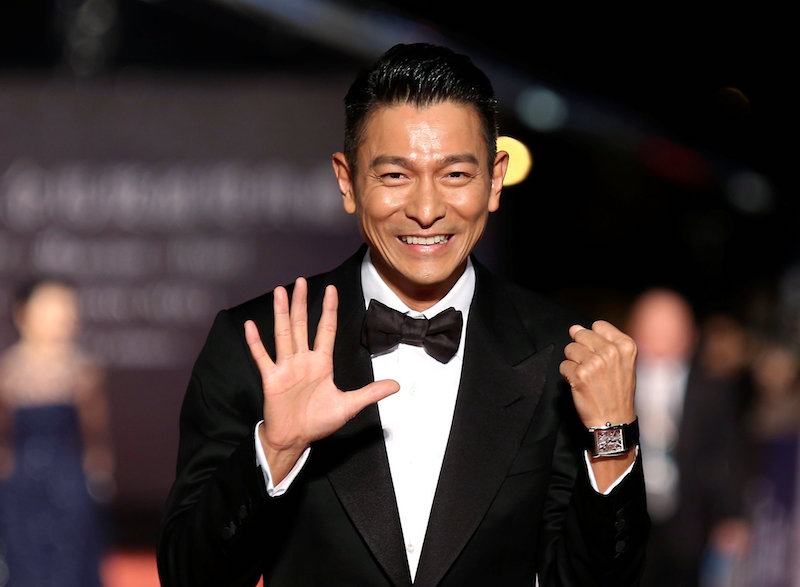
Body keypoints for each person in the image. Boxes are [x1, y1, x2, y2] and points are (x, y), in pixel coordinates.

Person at [157, 43, 648, 586]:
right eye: (395, 176)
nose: (426, 209)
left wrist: (612, 440)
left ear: (495, 179)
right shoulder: (260, 343)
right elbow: (189, 577)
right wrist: (275, 450)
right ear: (348, 182)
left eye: (456, 174)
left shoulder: (561, 354)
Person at [626, 289, 748, 587]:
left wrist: (731, 514)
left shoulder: (712, 389)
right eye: (652, 328)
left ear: (690, 336)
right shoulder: (618, 381)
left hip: (689, 518)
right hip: (626, 515)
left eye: (671, 329)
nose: (661, 339)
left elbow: (729, 451)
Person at [0, 278, 113, 587]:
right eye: (49, 306)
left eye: (66, 307)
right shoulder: (7, 370)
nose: (60, 315)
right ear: (23, 314)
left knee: (71, 558)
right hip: (19, 482)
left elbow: (96, 435)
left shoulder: (83, 369)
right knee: (23, 558)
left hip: (69, 477)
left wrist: (98, 473)